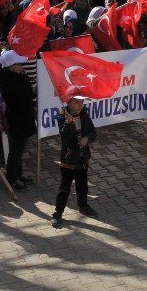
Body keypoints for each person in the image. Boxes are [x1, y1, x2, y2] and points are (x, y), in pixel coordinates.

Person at [50, 96, 98, 228]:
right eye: (77, 102)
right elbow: (64, 135)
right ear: (69, 102)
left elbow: (93, 132)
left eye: (82, 102)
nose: (80, 104)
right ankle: (58, 213)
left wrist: (87, 138)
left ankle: (83, 206)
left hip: (83, 157)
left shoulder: (84, 114)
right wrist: (69, 123)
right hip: (69, 157)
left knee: (82, 183)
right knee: (65, 187)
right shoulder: (63, 116)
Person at [0, 49, 35, 191]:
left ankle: (18, 174)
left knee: (19, 149)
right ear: (11, 66)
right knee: (16, 150)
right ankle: (12, 179)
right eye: (19, 64)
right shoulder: (10, 80)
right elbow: (25, 94)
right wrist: (25, 78)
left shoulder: (14, 77)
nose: (22, 67)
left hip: (22, 117)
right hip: (16, 119)